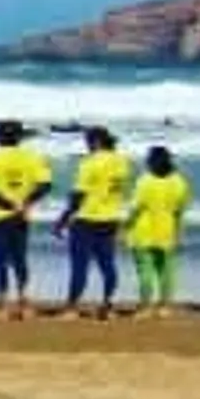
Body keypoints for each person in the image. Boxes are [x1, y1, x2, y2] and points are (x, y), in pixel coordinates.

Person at [0, 118, 52, 320]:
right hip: (21, 215)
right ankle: (24, 302)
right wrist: (24, 203)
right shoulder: (34, 157)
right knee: (19, 258)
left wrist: (9, 205)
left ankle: (2, 305)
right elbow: (45, 185)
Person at [63, 125, 129, 320]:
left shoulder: (89, 163)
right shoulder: (121, 162)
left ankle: (72, 308)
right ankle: (108, 305)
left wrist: (62, 220)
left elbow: (79, 195)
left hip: (87, 219)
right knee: (108, 265)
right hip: (111, 218)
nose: (87, 145)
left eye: (88, 141)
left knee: (80, 266)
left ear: (96, 142)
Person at [127, 144, 190, 318]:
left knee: (145, 271)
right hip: (167, 231)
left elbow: (135, 208)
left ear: (151, 161)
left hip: (143, 232)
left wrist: (124, 226)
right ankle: (164, 307)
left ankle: (145, 307)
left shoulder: (144, 181)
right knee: (166, 271)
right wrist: (179, 233)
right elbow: (179, 211)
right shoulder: (179, 182)